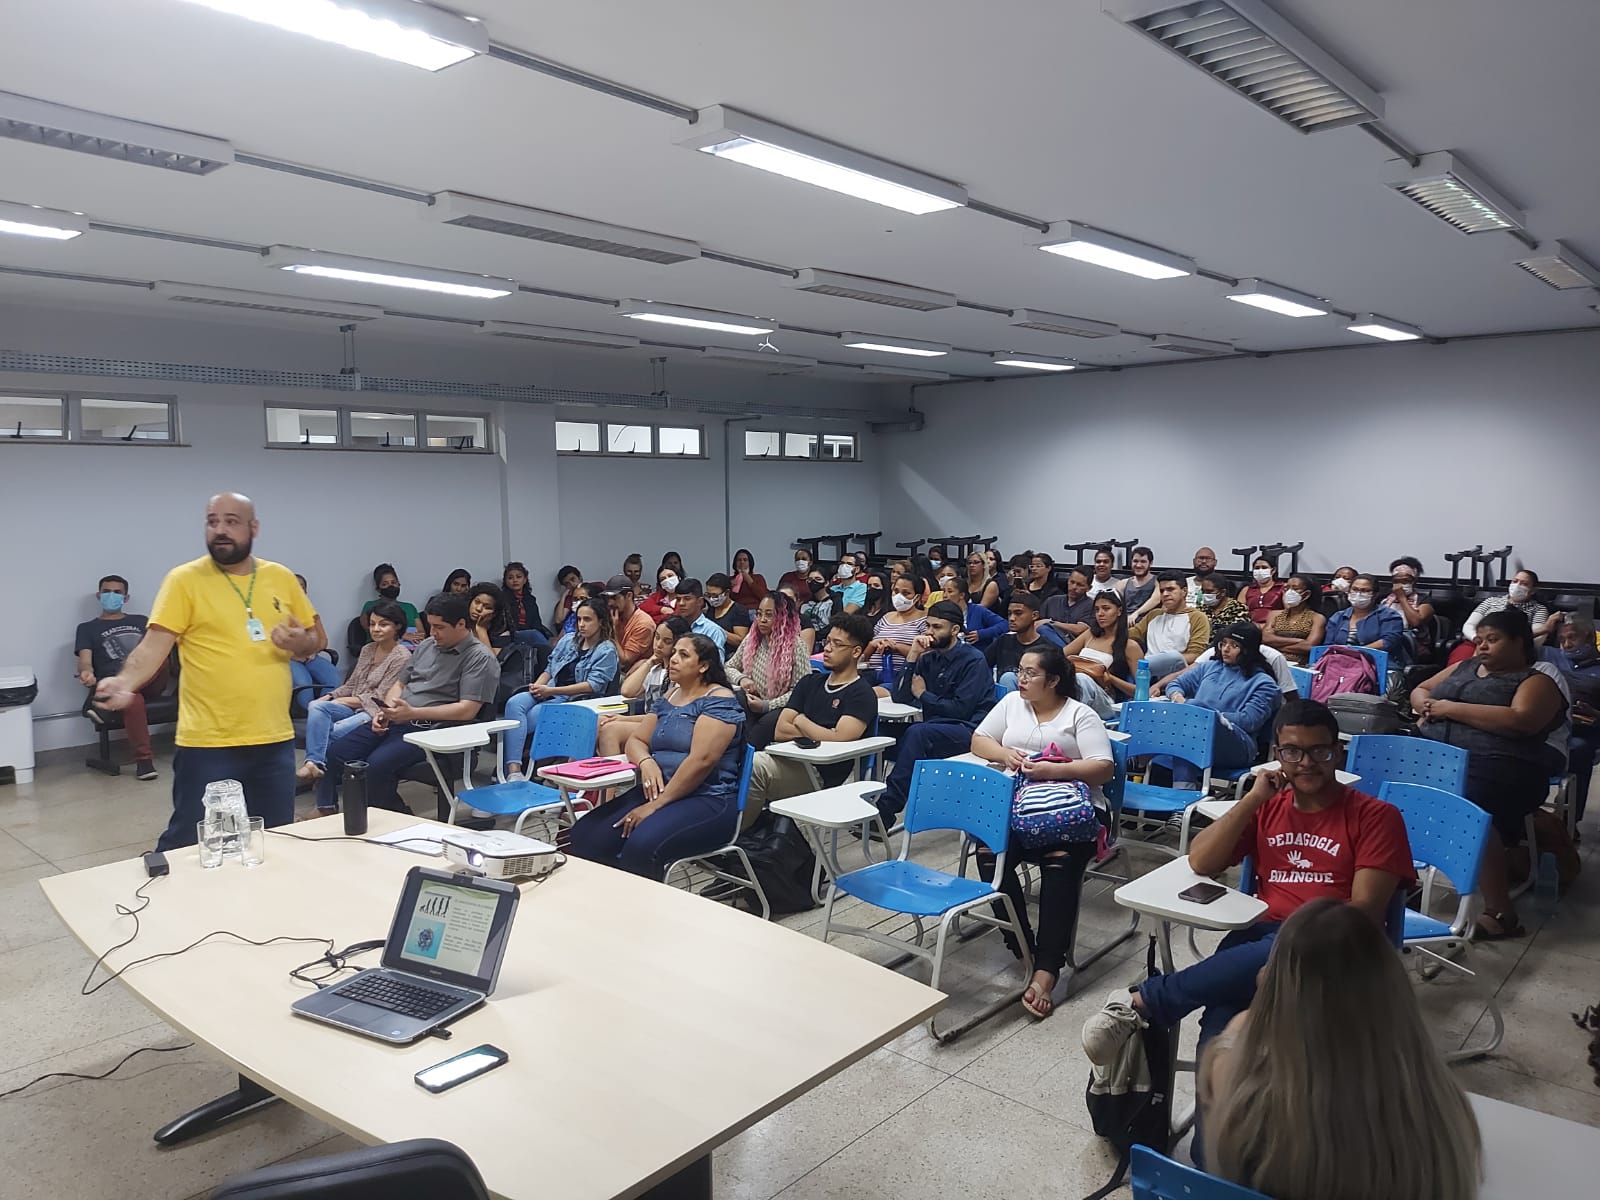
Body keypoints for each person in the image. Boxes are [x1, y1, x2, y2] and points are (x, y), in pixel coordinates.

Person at [1082, 698, 1414, 1094]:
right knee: (1219, 1045)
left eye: (1319, 751)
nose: (1306, 763)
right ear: (1277, 756)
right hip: (1259, 940)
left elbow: (1362, 913)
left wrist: (1293, 951)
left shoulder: (1376, 817)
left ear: (1337, 752)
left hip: (1336, 948)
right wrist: (1253, 799)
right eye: (1293, 752)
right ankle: (1215, 1150)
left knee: (1268, 956)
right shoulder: (1267, 806)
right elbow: (1201, 861)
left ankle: (1146, 1001)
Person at [1201, 898, 1481, 1200]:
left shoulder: (1238, 1081)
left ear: (1277, 987)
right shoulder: (1439, 1109)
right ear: (1393, 990)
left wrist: (1262, 1006)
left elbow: (1236, 1038)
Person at [95, 492, 323, 849]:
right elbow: (154, 644)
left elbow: (315, 638)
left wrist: (301, 644)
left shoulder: (280, 577)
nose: (220, 530)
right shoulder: (184, 580)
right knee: (191, 842)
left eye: (231, 521)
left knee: (273, 841)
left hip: (273, 739)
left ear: (254, 528)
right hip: (208, 742)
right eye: (212, 521)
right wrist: (125, 681)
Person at [970, 646, 1114, 1019]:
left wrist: (1054, 769)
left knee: (1060, 862)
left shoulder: (1079, 714)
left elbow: (1103, 769)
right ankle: (1023, 947)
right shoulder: (1012, 705)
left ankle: (1048, 968)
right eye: (1020, 670)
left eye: (1031, 673)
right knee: (988, 855)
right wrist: (1006, 756)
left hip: (1072, 811)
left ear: (1053, 680)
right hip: (1020, 805)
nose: (1022, 679)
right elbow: (979, 740)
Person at [1412, 607, 1566, 938]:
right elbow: (1420, 689)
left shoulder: (1536, 680)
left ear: (1519, 642)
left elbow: (1521, 720)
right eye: (1479, 639)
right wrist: (1426, 705)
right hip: (1441, 760)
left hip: (1505, 768)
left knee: (1465, 805)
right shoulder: (1464, 666)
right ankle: (1401, 879)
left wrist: (1448, 709)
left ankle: (1501, 914)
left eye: (1492, 640)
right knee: (1386, 794)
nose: (1481, 647)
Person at [569, 634, 745, 880]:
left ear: (703, 666)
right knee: (586, 834)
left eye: (683, 655)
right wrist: (646, 761)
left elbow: (701, 761)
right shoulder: (671, 695)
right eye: (674, 653)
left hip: (707, 798)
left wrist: (654, 806)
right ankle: (607, 900)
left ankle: (644, 912)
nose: (673, 659)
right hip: (658, 792)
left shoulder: (719, 701)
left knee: (641, 844)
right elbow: (637, 740)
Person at [317, 592, 500, 816]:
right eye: (430, 626)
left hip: (434, 729)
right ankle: (353, 810)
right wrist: (387, 709)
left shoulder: (479, 657)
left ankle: (393, 817)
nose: (432, 633)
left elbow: (467, 710)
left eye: (439, 627)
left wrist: (413, 712)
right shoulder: (427, 646)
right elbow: (400, 684)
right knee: (337, 752)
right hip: (400, 718)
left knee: (376, 766)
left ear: (461, 624)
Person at [745, 613, 877, 825]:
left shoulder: (861, 694)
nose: (827, 648)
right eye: (827, 642)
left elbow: (841, 738)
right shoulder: (810, 682)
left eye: (837, 644)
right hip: (788, 760)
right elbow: (780, 730)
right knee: (737, 763)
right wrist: (820, 733)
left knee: (754, 767)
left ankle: (733, 835)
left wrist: (802, 721)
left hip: (819, 774)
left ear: (856, 652)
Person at [879, 601, 995, 822]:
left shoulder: (973, 660)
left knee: (918, 734)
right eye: (928, 626)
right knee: (880, 733)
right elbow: (900, 696)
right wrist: (913, 654)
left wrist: (924, 695)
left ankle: (886, 809)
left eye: (937, 627)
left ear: (954, 630)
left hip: (968, 731)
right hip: (933, 729)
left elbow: (961, 710)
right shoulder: (929, 657)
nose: (930, 633)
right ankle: (860, 797)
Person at [297, 598, 411, 802]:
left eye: (383, 624)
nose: (376, 629)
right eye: (372, 624)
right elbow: (351, 684)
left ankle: (324, 803)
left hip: (374, 714)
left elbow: (382, 698)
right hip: (354, 707)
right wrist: (331, 696)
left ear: (398, 626)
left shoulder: (401, 655)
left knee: (330, 735)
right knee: (317, 706)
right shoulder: (368, 649)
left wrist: (344, 702)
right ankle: (314, 763)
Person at [503, 598, 619, 780]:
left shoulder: (606, 650)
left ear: (601, 621)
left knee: (527, 720)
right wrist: (538, 686)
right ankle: (514, 771)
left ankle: (523, 770)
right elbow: (550, 668)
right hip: (551, 689)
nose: (581, 624)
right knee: (514, 703)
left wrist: (551, 692)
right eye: (579, 619)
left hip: (571, 698)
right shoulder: (568, 640)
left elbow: (592, 685)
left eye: (587, 620)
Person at [75, 573, 166, 780]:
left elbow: (156, 650)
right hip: (116, 684)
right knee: (132, 698)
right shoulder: (87, 628)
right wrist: (86, 672)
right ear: (99, 595)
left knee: (164, 651)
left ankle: (96, 704)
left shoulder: (141, 621)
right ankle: (144, 762)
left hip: (148, 678)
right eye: (107, 592)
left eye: (117, 593)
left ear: (126, 598)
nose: (111, 596)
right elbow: (85, 660)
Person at [1163, 624, 1281, 779]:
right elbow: (1174, 685)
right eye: (1223, 643)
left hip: (1238, 744)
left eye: (1234, 645)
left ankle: (1180, 789)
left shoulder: (1263, 683)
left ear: (1248, 650)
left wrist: (1211, 718)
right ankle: (1181, 788)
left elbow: (1250, 720)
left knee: (1194, 716)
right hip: (1195, 734)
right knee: (1188, 724)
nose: (1225, 649)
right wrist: (1179, 699)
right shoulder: (1209, 667)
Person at [599, 617, 692, 756]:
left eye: (667, 641)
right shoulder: (654, 670)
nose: (659, 645)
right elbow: (627, 691)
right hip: (647, 722)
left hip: (663, 726)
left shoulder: (678, 675)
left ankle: (618, 776)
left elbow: (662, 716)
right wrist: (649, 662)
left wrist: (624, 719)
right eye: (657, 637)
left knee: (610, 730)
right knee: (599, 721)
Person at [725, 592, 811, 721]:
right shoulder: (752, 639)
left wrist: (766, 706)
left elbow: (800, 692)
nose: (762, 619)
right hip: (752, 703)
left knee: (762, 724)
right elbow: (728, 667)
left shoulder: (797, 646)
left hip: (780, 709)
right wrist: (742, 679)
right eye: (759, 614)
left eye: (769, 615)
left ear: (783, 618)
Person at [1552, 616, 1600, 822]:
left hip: (1585, 731)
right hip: (1550, 726)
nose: (1566, 645)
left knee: (1578, 749)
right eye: (1562, 640)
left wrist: (1596, 714)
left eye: (1572, 638)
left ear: (1589, 637)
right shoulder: (1550, 657)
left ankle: (1569, 821)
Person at [1063, 591, 1141, 701]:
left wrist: (1111, 679)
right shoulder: (1090, 634)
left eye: (1106, 608)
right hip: (1075, 687)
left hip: (1105, 698)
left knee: (1083, 679)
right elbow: (1060, 655)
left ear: (1119, 611)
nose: (1100, 614)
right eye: (1097, 609)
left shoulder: (1130, 646)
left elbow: (1141, 691)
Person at [1129, 574, 1211, 679]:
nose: (1165, 594)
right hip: (1147, 669)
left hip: (1178, 672)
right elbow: (1132, 634)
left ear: (1184, 591)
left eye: (1170, 589)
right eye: (1162, 591)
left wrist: (1166, 661)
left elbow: (1195, 654)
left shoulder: (1198, 618)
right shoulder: (1154, 615)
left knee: (1173, 656)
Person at [865, 574, 928, 687]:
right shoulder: (886, 617)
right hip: (871, 672)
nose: (899, 596)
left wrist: (896, 647)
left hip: (900, 676)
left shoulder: (924, 620)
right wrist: (874, 644)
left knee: (871, 695)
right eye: (896, 591)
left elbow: (926, 656)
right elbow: (865, 655)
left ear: (917, 597)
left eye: (906, 593)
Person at [1321, 573, 1405, 656]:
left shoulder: (1389, 615)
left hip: (1376, 663)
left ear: (1375, 595)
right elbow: (1328, 644)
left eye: (1365, 591)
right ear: (1348, 591)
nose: (1358, 594)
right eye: (1355, 589)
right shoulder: (1338, 616)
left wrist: (1355, 653)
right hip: (1340, 662)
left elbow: (1388, 641)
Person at [289, 573, 341, 705]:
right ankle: (308, 716)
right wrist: (293, 656)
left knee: (333, 679)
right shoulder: (279, 613)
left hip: (311, 657)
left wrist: (313, 652)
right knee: (304, 685)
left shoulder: (312, 614)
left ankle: (323, 710)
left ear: (306, 592)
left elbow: (323, 640)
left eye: (301, 587)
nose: (298, 590)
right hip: (290, 659)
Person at [1461, 568, 1553, 642]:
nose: (1517, 586)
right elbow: (1469, 625)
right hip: (1476, 642)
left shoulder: (1538, 609)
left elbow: (1537, 640)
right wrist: (1476, 638)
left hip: (1511, 650)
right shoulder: (1491, 601)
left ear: (1533, 590)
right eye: (1515, 581)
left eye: (1524, 584)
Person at [1260, 575, 1326, 665]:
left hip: (1299, 664)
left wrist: (1275, 645)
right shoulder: (1274, 614)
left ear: (1306, 594)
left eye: (1295, 588)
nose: (1289, 592)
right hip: (1271, 661)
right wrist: (1298, 641)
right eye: (1287, 588)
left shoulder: (1317, 618)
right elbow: (1265, 639)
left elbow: (1309, 646)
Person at [361, 563, 424, 644]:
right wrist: (401, 635)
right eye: (385, 584)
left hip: (413, 649)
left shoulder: (410, 607)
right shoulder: (370, 606)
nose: (390, 586)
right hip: (382, 649)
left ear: (399, 584)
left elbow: (421, 633)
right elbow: (371, 629)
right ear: (378, 589)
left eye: (393, 582)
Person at [941, 573, 1007, 649]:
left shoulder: (977, 610)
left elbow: (1004, 624)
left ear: (962, 595)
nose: (945, 596)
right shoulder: (942, 612)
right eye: (943, 591)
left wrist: (981, 634)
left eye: (950, 592)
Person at [602, 575, 656, 669]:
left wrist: (612, 632)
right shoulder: (614, 615)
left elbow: (625, 661)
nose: (610, 603)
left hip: (633, 672)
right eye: (608, 598)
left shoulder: (643, 623)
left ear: (629, 596)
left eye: (614, 598)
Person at [671, 578, 726, 656]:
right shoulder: (672, 626)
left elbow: (716, 665)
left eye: (687, 599)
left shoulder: (713, 631)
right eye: (678, 599)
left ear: (700, 602)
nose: (681, 603)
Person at [501, 561, 549, 647]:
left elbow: (536, 622)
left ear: (525, 579)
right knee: (534, 635)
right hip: (511, 634)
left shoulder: (530, 599)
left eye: (518, 577)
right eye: (510, 578)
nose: (515, 580)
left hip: (530, 633)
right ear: (505, 581)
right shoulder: (502, 599)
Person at [704, 573, 752, 652]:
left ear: (726, 593)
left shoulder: (738, 611)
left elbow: (740, 641)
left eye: (715, 595)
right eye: (709, 595)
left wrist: (716, 630)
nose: (712, 599)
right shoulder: (710, 610)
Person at [1197, 573, 1250, 644]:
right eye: (1203, 591)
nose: (1205, 595)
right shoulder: (1201, 608)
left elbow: (1237, 634)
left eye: (1209, 592)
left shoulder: (1238, 609)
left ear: (1222, 592)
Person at [1041, 568, 1094, 640]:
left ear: (1089, 588)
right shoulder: (1052, 601)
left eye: (1080, 585)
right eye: (1072, 582)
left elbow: (1079, 630)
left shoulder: (1091, 605)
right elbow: (1038, 622)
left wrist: (1052, 623)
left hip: (1073, 645)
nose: (1074, 587)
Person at [1242, 556, 1286, 624]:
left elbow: (1289, 611)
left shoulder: (1282, 588)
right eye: (1257, 568)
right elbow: (1238, 612)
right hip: (1250, 626)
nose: (1260, 570)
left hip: (1274, 625)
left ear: (1273, 570)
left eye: (1264, 567)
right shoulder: (1246, 590)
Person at [1123, 545, 1159, 621]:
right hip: (1125, 623)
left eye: (1143, 561)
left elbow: (1156, 600)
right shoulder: (1122, 583)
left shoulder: (1158, 582)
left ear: (1150, 563)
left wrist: (1136, 613)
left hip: (1149, 623)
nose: (1138, 565)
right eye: (1135, 561)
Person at [799, 571, 834, 643]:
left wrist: (816, 635)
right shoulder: (804, 604)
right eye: (810, 579)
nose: (813, 582)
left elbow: (835, 624)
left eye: (818, 579)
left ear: (826, 583)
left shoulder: (834, 601)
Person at [550, 564, 584, 634]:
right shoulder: (570, 598)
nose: (572, 584)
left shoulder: (595, 587)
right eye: (567, 583)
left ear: (579, 577)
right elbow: (558, 620)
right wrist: (563, 596)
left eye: (573, 579)